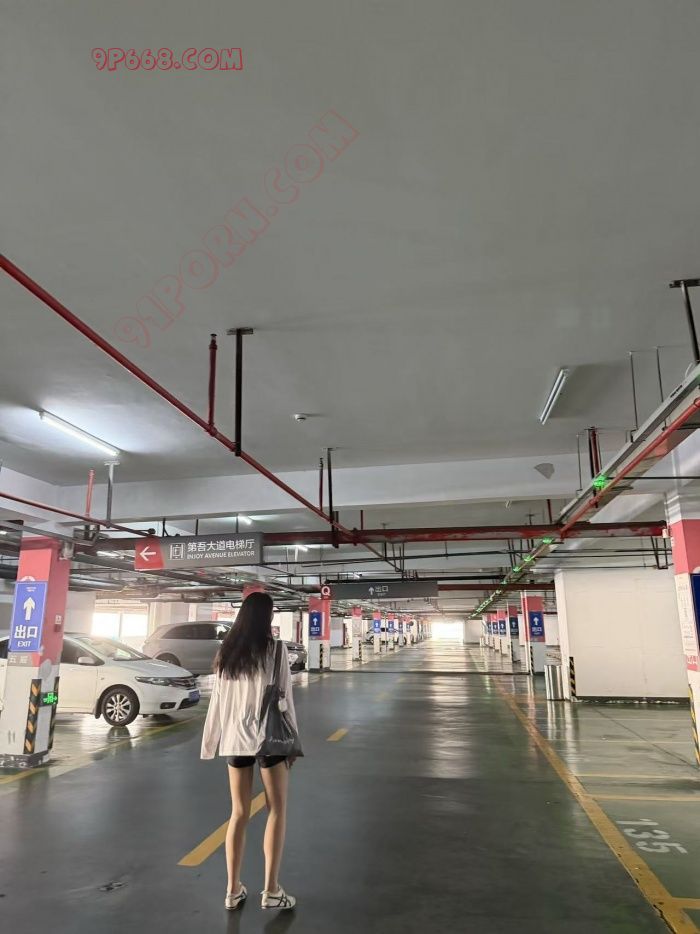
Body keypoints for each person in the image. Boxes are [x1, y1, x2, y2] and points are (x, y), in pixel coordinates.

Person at [201, 592, 299, 912]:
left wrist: (211, 743)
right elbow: (284, 700)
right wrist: (293, 742)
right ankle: (271, 890)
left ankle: (232, 890)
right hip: (267, 738)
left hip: (234, 739)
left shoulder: (226, 653)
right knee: (276, 810)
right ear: (267, 618)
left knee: (239, 813)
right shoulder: (276, 650)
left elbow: (217, 702)